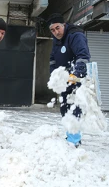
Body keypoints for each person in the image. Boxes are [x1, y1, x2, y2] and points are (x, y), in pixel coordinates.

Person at [47, 13, 91, 147]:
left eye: (57, 28)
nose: (56, 32)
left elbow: (83, 56)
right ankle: (70, 136)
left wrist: (76, 74)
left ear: (64, 25)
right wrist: (54, 76)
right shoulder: (57, 40)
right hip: (65, 80)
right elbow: (53, 59)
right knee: (65, 108)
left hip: (76, 80)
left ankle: (74, 140)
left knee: (75, 108)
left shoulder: (75, 36)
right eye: (52, 30)